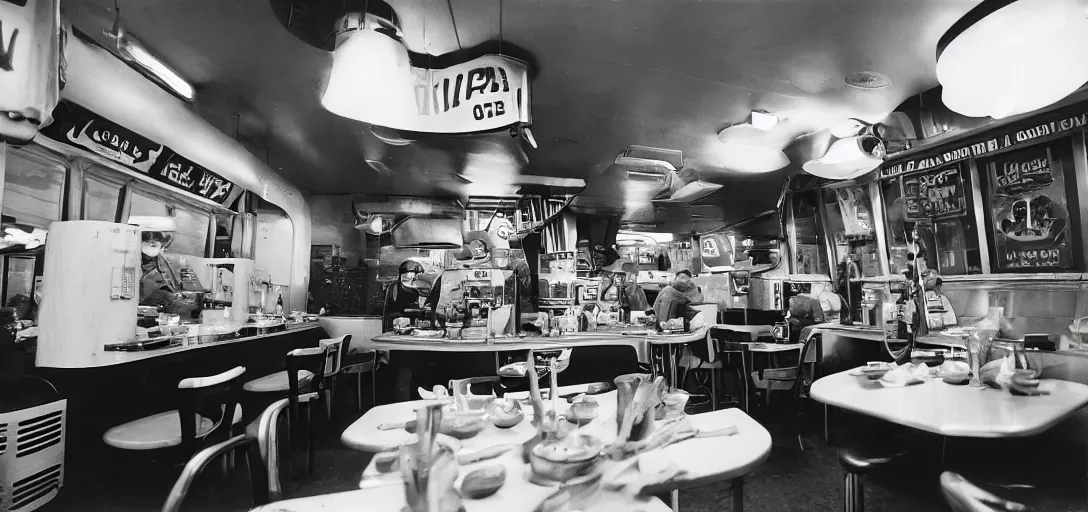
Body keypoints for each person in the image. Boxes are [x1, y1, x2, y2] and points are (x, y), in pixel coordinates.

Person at [383, 260, 426, 332]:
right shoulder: (394, 287)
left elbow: (421, 313)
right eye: (406, 280)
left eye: (414, 280)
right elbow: (388, 313)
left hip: (414, 329)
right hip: (397, 328)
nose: (411, 284)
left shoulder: (417, 291)